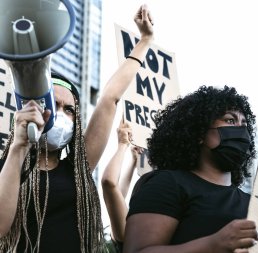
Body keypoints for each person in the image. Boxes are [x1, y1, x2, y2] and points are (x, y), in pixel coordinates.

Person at [0, 4, 154, 252]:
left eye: (69, 110)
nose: (61, 114)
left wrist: (145, 41)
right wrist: (19, 146)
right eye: (53, 105)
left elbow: (109, 98)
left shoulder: (77, 167)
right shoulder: (8, 167)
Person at [123, 86, 258, 253]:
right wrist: (213, 244)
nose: (239, 129)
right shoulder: (167, 184)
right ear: (199, 133)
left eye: (244, 124)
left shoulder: (254, 203)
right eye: (230, 120)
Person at [102, 119, 143, 252]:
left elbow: (115, 190)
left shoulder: (131, 234)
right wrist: (122, 145)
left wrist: (130, 157)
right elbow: (110, 184)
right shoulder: (127, 233)